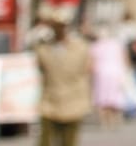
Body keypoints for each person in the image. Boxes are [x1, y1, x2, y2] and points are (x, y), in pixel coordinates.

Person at [36, 16, 93, 146]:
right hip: (51, 100)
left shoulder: (79, 48)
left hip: (72, 99)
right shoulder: (45, 49)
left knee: (68, 140)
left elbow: (87, 68)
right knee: (46, 140)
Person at [90, 25, 130, 128]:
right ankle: (114, 118)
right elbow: (125, 59)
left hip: (101, 73)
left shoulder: (95, 46)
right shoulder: (116, 45)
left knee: (102, 96)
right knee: (114, 95)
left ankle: (104, 120)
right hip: (116, 72)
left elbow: (91, 63)